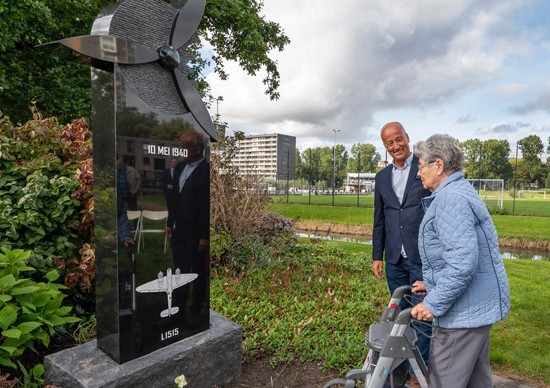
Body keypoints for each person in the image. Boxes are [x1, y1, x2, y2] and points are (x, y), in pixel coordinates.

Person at [411, 134, 510, 388]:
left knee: (444, 380)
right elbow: (460, 255)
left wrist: (433, 302)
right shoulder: (459, 191)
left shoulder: (449, 199)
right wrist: (431, 284)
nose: (418, 173)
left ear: (439, 165)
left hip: (462, 316)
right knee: (477, 381)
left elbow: (462, 263)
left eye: (421, 165)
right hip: (475, 310)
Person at [372, 122, 431, 388]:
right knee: (399, 317)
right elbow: (379, 219)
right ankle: (404, 368)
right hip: (394, 258)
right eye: (389, 143)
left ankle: (422, 373)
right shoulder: (381, 177)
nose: (396, 146)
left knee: (421, 316)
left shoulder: (425, 166)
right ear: (385, 147)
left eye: (399, 140)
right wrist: (377, 255)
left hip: (420, 256)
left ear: (408, 138)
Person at [165, 130, 210, 326]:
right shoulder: (181, 167)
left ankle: (196, 309)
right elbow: (174, 199)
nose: (181, 151)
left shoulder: (207, 170)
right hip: (179, 230)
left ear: (197, 149)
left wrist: (204, 236)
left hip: (196, 233)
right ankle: (177, 309)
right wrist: (169, 223)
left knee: (198, 271)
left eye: (184, 148)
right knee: (180, 271)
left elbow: (207, 206)